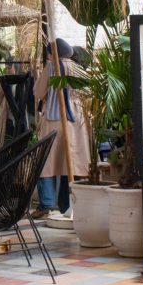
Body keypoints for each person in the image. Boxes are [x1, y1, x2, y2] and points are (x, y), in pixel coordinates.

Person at [32, 38, 89, 228]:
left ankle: (48, 203)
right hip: (76, 120)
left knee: (47, 160)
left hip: (53, 119)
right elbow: (88, 91)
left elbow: (38, 92)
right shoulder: (77, 68)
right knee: (69, 161)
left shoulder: (51, 67)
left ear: (51, 53)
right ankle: (69, 203)